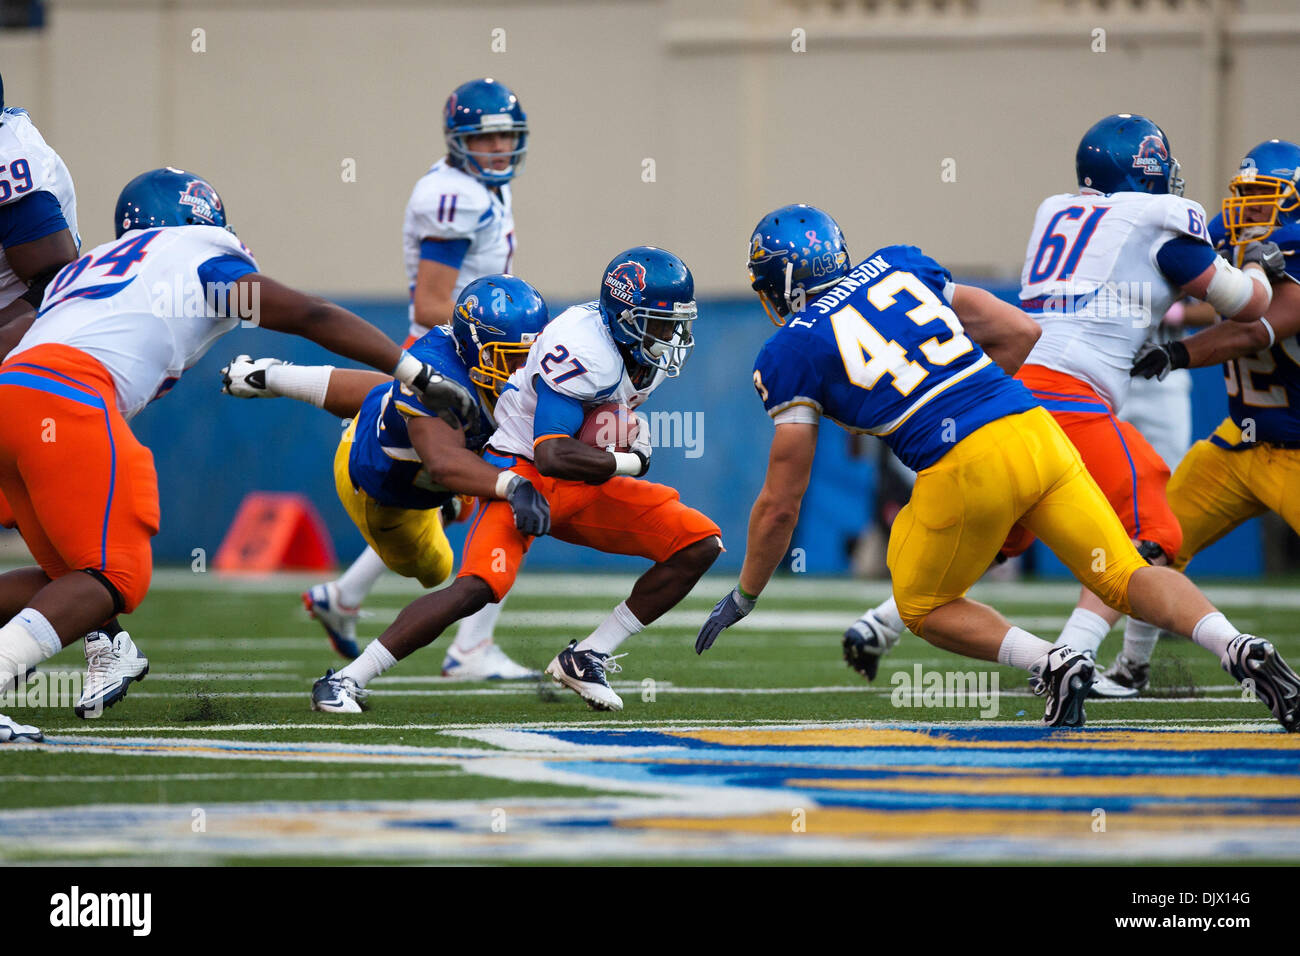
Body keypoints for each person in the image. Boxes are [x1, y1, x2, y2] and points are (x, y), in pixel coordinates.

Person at [696, 203, 1299, 731]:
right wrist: (979, 402)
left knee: (924, 605)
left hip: (961, 464)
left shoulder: (788, 350)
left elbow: (781, 502)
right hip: (1034, 428)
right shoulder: (899, 265)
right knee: (1123, 573)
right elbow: (1019, 328)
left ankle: (1050, 662)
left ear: (777, 287)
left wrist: (747, 593)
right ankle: (1235, 644)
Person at [0, 167, 477, 737]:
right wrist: (414, 371)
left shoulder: (90, 268)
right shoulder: (198, 254)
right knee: (115, 577)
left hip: (14, 393)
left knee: (72, 581)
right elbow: (310, 315)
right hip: (66, 395)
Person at [841, 114, 1277, 700]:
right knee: (1154, 531)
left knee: (1001, 539)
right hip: (1074, 398)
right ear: (1145, 171)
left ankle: (886, 622)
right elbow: (1247, 304)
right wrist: (1258, 266)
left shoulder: (1060, 212)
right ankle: (1091, 660)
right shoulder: (1160, 223)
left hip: (1014, 398)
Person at [309, 246, 722, 714]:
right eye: (661, 323)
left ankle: (588, 656)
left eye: (675, 323)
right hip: (523, 468)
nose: (672, 335)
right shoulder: (588, 350)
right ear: (626, 316)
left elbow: (591, 430)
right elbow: (551, 453)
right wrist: (632, 461)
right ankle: (346, 679)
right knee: (476, 587)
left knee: (698, 542)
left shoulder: (636, 354)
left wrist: (617, 436)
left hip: (579, 479)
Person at [222, 274, 551, 701]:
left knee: (389, 398)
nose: (523, 371)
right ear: (477, 350)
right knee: (437, 568)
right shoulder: (443, 375)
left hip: (390, 429)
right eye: (512, 358)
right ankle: (354, 602)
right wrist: (510, 485)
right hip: (381, 492)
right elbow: (446, 464)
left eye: (530, 356)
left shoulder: (469, 362)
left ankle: (274, 378)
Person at [302, 78, 534, 679]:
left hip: (469, 356)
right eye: (486, 139)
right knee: (510, 482)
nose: (500, 149)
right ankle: (471, 645)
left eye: (508, 136)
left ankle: (345, 596)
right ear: (459, 142)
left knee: (449, 499)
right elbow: (434, 302)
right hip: (451, 362)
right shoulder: (454, 197)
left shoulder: (481, 188)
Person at [1116, 138, 1300, 689]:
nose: (1250, 212)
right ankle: (1130, 669)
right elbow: (1210, 292)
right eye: (1245, 196)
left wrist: (1177, 353)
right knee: (1151, 545)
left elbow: (1257, 328)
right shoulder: (1229, 237)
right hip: (1239, 443)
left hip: (1296, 452)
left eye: (1266, 199)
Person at [0, 72, 82, 742]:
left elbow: (51, 284)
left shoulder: (10, 156)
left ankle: (107, 641)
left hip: (24, 371)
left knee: (103, 568)